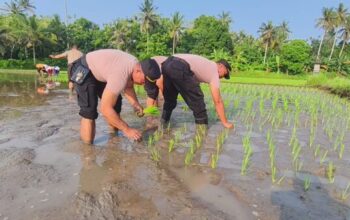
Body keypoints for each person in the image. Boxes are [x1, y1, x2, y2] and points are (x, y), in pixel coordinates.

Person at [70, 49, 158, 144]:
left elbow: (128, 87)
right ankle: (88, 151)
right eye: (144, 81)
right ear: (138, 71)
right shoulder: (121, 73)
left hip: (100, 72)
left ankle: (113, 139)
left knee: (116, 106)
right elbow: (105, 109)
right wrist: (127, 129)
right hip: (84, 68)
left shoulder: (134, 65)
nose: (143, 84)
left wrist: (135, 104)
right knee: (89, 111)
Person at [144, 54, 234, 129]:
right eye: (225, 74)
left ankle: (163, 124)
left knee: (170, 101)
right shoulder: (214, 69)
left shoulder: (205, 64)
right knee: (198, 101)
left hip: (167, 63)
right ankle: (202, 132)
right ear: (220, 66)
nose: (222, 77)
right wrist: (225, 122)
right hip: (179, 66)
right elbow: (217, 101)